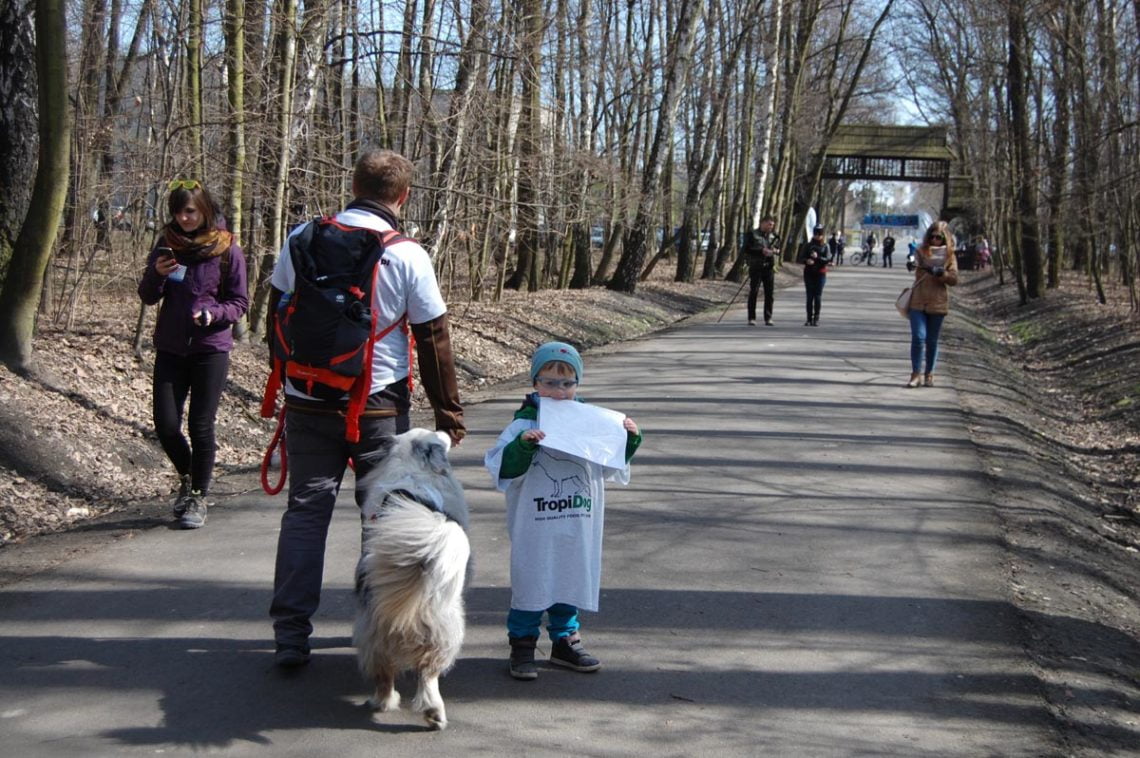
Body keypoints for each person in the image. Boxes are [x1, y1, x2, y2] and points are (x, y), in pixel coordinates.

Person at [267, 148, 466, 668]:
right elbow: (433, 338)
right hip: (378, 405)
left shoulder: (301, 237)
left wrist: (290, 379)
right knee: (380, 519)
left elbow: (277, 315)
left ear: (353, 184)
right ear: (402, 196)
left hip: (308, 399)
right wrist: (449, 413)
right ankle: (374, 627)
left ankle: (291, 633)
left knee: (305, 514)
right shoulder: (407, 254)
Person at [485, 342, 642, 680]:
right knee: (532, 579)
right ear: (534, 383)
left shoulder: (593, 423)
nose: (559, 391)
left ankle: (565, 641)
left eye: (567, 383)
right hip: (536, 524)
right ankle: (523, 644)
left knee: (569, 577)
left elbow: (608, 466)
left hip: (576, 522)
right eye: (549, 382)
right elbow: (503, 469)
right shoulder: (520, 426)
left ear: (578, 385)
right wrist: (523, 447)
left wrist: (628, 440)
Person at [137, 180, 248, 530]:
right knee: (167, 426)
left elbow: (240, 303)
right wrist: (156, 275)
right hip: (171, 347)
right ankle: (188, 479)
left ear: (204, 210)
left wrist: (213, 314)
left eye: (190, 211)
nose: (183, 218)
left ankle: (197, 496)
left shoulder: (227, 249)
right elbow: (148, 295)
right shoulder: (166, 245)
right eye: (177, 211)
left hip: (209, 350)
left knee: (201, 427)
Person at [906, 221, 959, 388]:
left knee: (932, 340)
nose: (935, 240)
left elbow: (954, 279)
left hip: (937, 302)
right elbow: (914, 263)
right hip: (918, 300)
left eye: (939, 237)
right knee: (918, 337)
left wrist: (942, 274)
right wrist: (912, 263)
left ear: (945, 238)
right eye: (932, 236)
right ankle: (915, 374)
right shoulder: (921, 251)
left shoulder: (949, 255)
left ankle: (929, 373)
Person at [742, 215, 780, 325]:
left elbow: (779, 248)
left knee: (769, 293)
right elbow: (747, 249)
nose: (771, 227)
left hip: (769, 267)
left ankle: (768, 318)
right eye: (769, 224)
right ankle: (751, 318)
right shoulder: (752, 234)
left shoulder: (774, 236)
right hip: (756, 266)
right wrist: (761, 251)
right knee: (754, 292)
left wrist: (775, 251)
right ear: (762, 223)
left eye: (772, 225)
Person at [798, 225, 831, 326]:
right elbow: (801, 257)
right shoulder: (808, 245)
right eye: (816, 234)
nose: (817, 236)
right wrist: (807, 260)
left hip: (820, 273)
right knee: (809, 296)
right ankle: (808, 318)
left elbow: (828, 259)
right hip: (809, 273)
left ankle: (816, 318)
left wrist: (817, 258)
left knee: (817, 296)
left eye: (820, 234)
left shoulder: (825, 246)